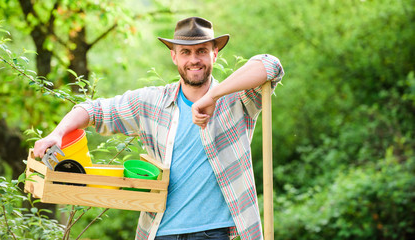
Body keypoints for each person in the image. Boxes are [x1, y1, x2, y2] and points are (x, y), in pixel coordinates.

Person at [34, 16, 284, 240]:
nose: (194, 59)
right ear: (174, 56)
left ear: (215, 53)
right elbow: (93, 110)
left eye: (201, 51)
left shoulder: (236, 99)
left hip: (214, 232)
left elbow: (271, 65)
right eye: (185, 52)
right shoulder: (151, 102)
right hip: (159, 232)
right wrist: (57, 133)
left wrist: (211, 97)